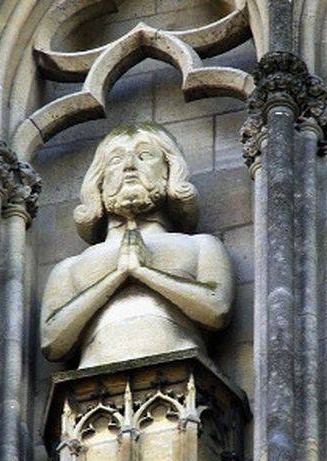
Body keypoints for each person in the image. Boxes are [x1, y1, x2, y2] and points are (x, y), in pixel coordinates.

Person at [40, 122, 233, 368]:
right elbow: (52, 342)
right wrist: (118, 275)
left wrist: (144, 272)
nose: (129, 166)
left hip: (182, 378)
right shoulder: (70, 267)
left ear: (169, 172)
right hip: (94, 387)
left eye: (145, 156)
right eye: (115, 160)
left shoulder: (200, 246)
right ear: (99, 181)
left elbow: (217, 309)